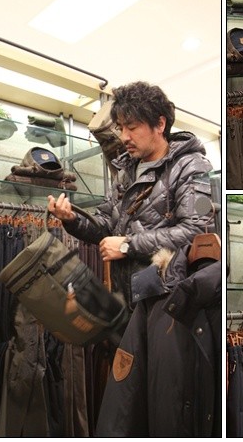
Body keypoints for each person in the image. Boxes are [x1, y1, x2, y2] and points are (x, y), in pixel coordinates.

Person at [47, 80, 214, 309]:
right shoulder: (126, 171)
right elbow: (106, 225)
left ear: (160, 124)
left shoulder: (193, 167)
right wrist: (72, 219)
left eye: (132, 127)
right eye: (121, 128)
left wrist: (128, 245)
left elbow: (198, 233)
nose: (124, 137)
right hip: (128, 299)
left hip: (169, 303)